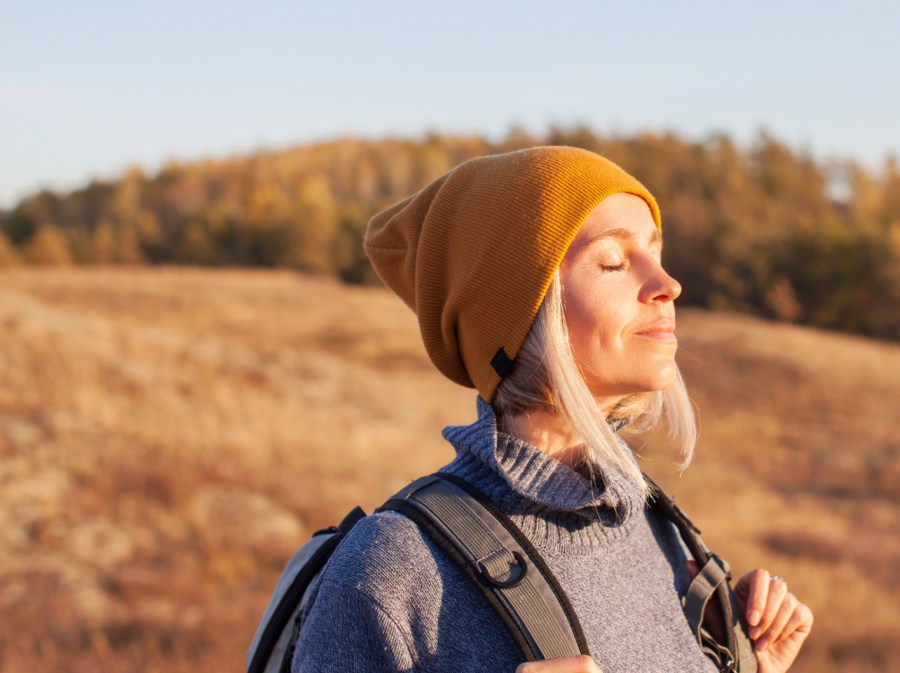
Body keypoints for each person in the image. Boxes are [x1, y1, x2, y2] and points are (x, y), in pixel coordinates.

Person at [293, 146, 813, 672]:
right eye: (613, 261)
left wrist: (746, 664)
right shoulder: (392, 569)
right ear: (521, 315)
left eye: (657, 254)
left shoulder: (658, 528)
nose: (667, 286)